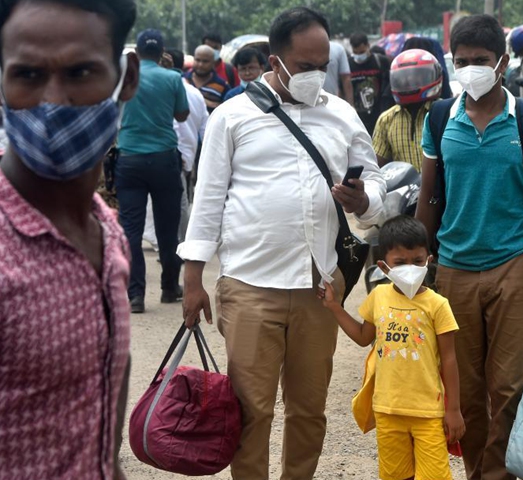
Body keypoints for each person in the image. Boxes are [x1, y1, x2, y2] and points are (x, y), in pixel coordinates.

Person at [178, 7, 386, 479]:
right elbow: (207, 200)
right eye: (305, 66)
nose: (316, 76)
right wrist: (193, 278)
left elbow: (375, 186)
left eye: (322, 66)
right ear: (276, 62)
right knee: (251, 413)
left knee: (309, 412)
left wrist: (363, 199)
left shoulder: (342, 115)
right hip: (251, 286)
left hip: (320, 290)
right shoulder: (231, 117)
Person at [417, 14, 523, 480]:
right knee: (464, 388)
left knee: (510, 388)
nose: (470, 69)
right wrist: (414, 271)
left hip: (515, 266)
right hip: (454, 270)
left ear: (502, 62)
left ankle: (498, 474)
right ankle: (479, 472)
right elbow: (428, 201)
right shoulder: (440, 117)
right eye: (461, 61)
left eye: (480, 60)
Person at [0, 0, 138, 477]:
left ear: (127, 78)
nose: (53, 100)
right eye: (28, 76)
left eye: (80, 73)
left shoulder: (106, 230)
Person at [319, 215, 465, 480]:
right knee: (396, 475)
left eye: (417, 261)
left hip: (429, 412)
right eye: (400, 262)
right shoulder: (378, 297)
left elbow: (450, 359)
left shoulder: (438, 305)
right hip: (388, 410)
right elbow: (364, 337)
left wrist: (453, 410)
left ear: (428, 260)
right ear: (384, 267)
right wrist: (334, 307)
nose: (410, 267)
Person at [117, 29, 188, 314]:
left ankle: (135, 296)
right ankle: (169, 288)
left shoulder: (125, 78)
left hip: (129, 158)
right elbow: (182, 114)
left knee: (131, 231)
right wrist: (169, 76)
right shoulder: (172, 77)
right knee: (167, 229)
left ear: (137, 54)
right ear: (161, 54)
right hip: (163, 159)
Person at [144, 48, 208, 249]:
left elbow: (175, 125)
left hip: (165, 153)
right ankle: (176, 242)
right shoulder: (195, 93)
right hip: (182, 156)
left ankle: (173, 243)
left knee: (170, 201)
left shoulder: (150, 89)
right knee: (179, 199)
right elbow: (204, 129)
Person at [372, 48, 443, 171]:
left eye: (418, 77)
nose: (410, 82)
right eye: (404, 78)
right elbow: (376, 166)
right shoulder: (386, 119)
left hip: (443, 187)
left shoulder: (446, 112)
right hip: (404, 189)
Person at [349, 32, 393, 135]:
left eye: (362, 52)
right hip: (358, 118)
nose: (359, 56)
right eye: (356, 52)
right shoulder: (349, 64)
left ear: (368, 46)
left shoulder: (381, 61)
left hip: (379, 114)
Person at [186, 44, 229, 112]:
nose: (200, 65)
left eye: (205, 61)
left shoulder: (222, 86)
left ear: (213, 63)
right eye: (198, 60)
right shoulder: (183, 80)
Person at [323, 40, 355, 105]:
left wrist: (350, 105)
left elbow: (346, 79)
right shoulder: (301, 48)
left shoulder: (337, 49)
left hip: (332, 102)